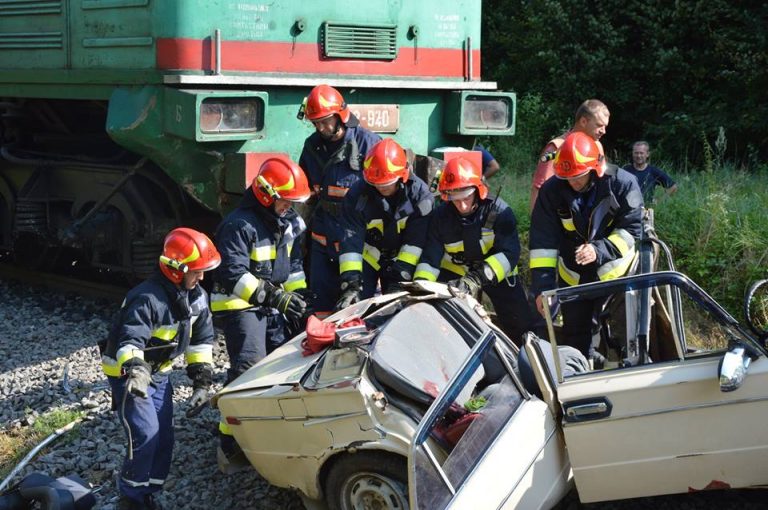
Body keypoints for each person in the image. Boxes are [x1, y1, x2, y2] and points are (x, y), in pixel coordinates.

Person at [99, 228, 221, 510]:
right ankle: (130, 499)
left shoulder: (197, 297)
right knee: (145, 433)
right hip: (129, 374)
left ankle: (148, 494)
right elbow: (131, 339)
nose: (201, 277)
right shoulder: (147, 298)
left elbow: (201, 342)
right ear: (176, 270)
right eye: (196, 271)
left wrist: (202, 383)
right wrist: (137, 372)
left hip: (158, 373)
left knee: (164, 436)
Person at [210, 157, 311, 468]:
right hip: (239, 305)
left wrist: (299, 303)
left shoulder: (290, 223)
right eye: (286, 201)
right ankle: (230, 441)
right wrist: (277, 299)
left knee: (288, 364)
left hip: (271, 303)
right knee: (249, 368)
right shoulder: (239, 225)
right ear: (267, 196)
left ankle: (272, 430)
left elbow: (293, 268)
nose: (291, 207)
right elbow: (233, 275)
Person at [529, 132, 643, 363]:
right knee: (576, 339)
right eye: (567, 177)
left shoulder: (623, 183)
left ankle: (617, 380)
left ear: (595, 169)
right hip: (574, 277)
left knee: (622, 339)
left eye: (579, 176)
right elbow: (542, 245)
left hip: (617, 278)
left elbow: (632, 230)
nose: (572, 182)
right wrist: (544, 290)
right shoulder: (552, 190)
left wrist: (599, 250)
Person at [413, 156, 535, 344]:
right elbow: (430, 259)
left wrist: (477, 278)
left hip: (497, 274)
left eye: (467, 197)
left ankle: (526, 362)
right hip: (455, 275)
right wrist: (420, 289)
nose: (461, 205)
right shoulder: (440, 217)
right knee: (445, 323)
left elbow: (509, 255)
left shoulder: (499, 212)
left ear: (479, 190)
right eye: (455, 198)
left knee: (520, 325)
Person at [298, 84, 381, 317]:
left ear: (340, 116)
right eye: (316, 122)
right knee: (320, 308)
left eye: (325, 121)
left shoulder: (368, 144)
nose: (321, 128)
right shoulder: (312, 146)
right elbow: (306, 194)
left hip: (357, 243)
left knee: (359, 308)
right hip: (322, 240)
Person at [336, 138, 433, 309]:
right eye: (376, 184)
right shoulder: (357, 195)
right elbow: (350, 240)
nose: (381, 188)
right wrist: (351, 282)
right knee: (355, 307)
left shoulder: (420, 196)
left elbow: (415, 242)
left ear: (401, 176)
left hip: (402, 259)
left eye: (387, 183)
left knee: (400, 311)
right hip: (369, 256)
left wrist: (401, 276)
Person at [530, 99, 610, 211]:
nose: (603, 131)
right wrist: (539, 224)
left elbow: (604, 183)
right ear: (583, 121)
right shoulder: (557, 147)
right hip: (562, 218)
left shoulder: (597, 146)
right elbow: (539, 189)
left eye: (605, 126)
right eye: (599, 125)